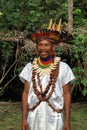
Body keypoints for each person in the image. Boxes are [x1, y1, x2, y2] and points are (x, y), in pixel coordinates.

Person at [19, 19, 75, 130]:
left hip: (55, 117)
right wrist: (24, 119)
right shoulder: (29, 68)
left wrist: (67, 121)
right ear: (36, 47)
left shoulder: (64, 68)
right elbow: (25, 93)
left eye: (46, 45)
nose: (43, 48)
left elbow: (67, 94)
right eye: (40, 45)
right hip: (33, 116)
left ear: (53, 47)